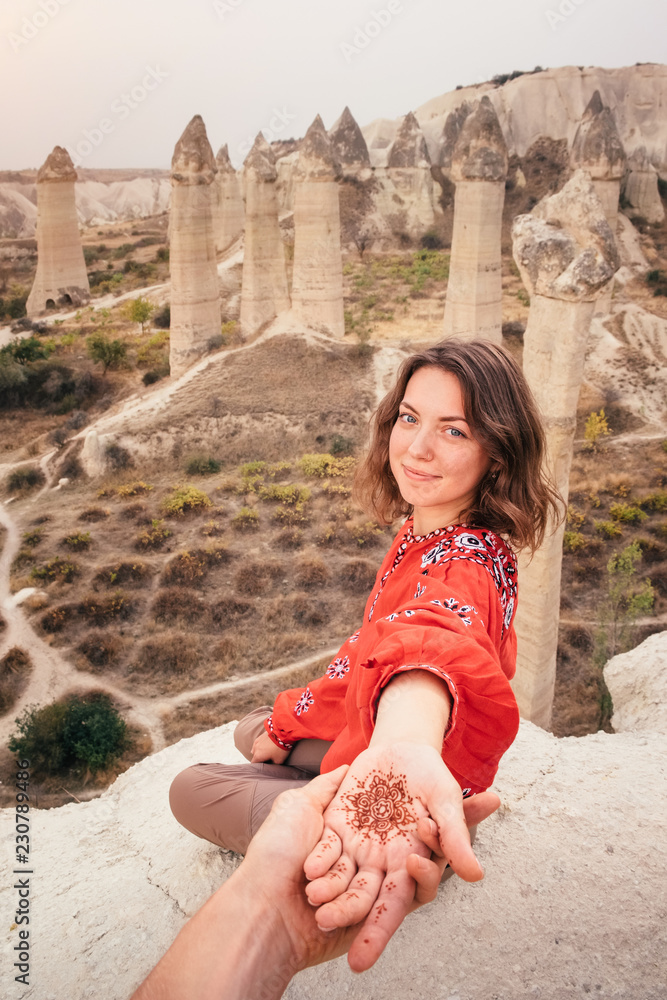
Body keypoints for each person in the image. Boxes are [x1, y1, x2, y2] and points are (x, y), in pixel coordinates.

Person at [170, 338, 562, 971]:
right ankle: (387, 812)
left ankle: (394, 840)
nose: (417, 448)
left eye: (454, 431)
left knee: (191, 788)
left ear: (497, 453)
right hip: (381, 729)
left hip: (413, 757)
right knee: (254, 730)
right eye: (409, 418)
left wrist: (400, 748)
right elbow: (369, 656)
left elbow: (430, 644)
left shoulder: (461, 567)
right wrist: (285, 723)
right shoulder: (435, 530)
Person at [132, 767, 502, 998]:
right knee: (248, 732)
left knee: (190, 788)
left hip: (391, 773)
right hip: (340, 747)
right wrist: (268, 908)